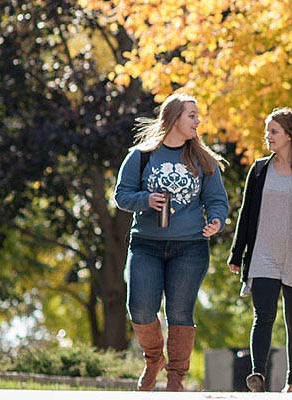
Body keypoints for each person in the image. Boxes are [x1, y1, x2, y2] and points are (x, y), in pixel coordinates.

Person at [113, 93, 229, 391]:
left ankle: (176, 377)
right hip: (146, 244)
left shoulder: (203, 159)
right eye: (192, 115)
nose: (198, 121)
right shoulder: (141, 156)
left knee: (179, 312)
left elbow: (217, 200)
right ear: (174, 117)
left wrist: (216, 221)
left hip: (190, 246)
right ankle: (154, 359)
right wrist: (146, 199)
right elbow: (121, 196)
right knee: (140, 308)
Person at [228, 108, 292, 393]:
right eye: (267, 131)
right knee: (263, 316)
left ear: (290, 135)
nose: (267, 136)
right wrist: (237, 253)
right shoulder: (259, 170)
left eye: (274, 131)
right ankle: (257, 375)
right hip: (263, 253)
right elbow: (246, 214)